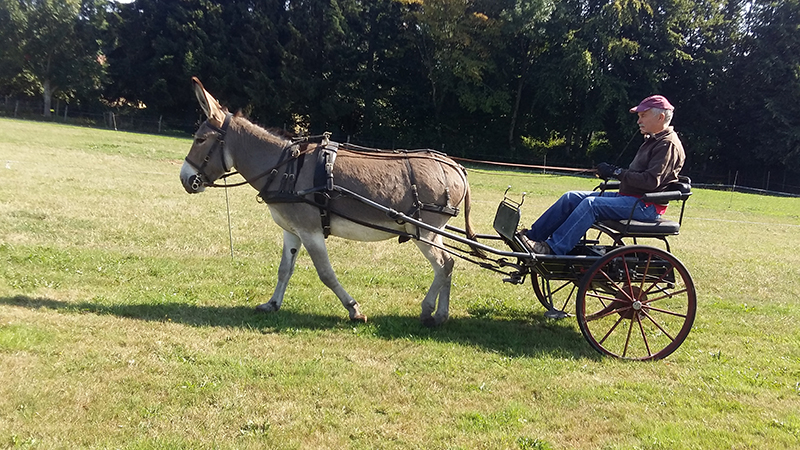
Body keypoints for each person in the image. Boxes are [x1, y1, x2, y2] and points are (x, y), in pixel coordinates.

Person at [519, 95, 686, 255]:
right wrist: (616, 172)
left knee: (592, 205)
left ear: (660, 117)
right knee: (571, 197)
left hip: (646, 206)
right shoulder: (654, 141)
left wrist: (616, 172)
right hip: (631, 199)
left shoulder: (667, 145)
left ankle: (553, 248)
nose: (638, 121)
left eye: (643, 116)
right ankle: (532, 237)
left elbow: (650, 181)